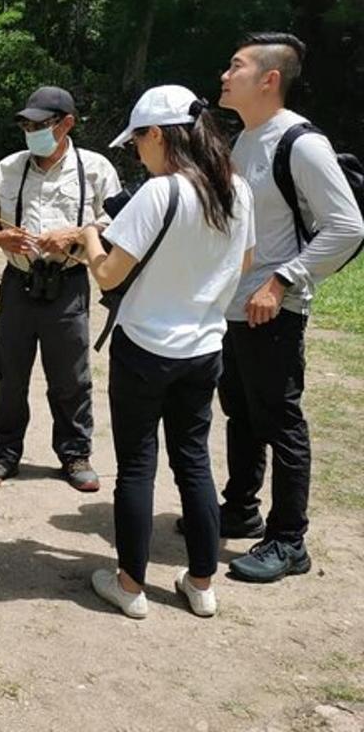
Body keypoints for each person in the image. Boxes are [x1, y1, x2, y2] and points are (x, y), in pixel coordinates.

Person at [79, 84, 255, 618]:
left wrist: (90, 235)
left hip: (145, 349)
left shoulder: (160, 193)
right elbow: (244, 264)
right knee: (194, 462)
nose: (136, 152)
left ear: (158, 134)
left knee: (137, 466)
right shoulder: (237, 190)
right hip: (204, 350)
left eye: (137, 142)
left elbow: (109, 271)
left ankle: (130, 587)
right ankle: (202, 583)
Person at [204, 32, 364, 582]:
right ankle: (241, 510)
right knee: (241, 416)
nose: (225, 74)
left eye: (236, 65)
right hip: (236, 310)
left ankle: (289, 540)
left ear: (269, 79)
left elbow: (347, 226)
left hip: (275, 311)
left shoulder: (300, 143)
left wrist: (282, 281)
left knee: (280, 422)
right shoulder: (247, 139)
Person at [0, 86, 122, 491]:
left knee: (71, 377)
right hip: (17, 285)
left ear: (67, 123)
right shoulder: (8, 168)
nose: (31, 131)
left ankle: (75, 455)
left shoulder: (95, 168)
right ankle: (3, 453)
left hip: (68, 285)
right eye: (26, 124)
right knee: (9, 372)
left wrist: (77, 232)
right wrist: (0, 237)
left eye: (40, 125)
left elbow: (119, 221)